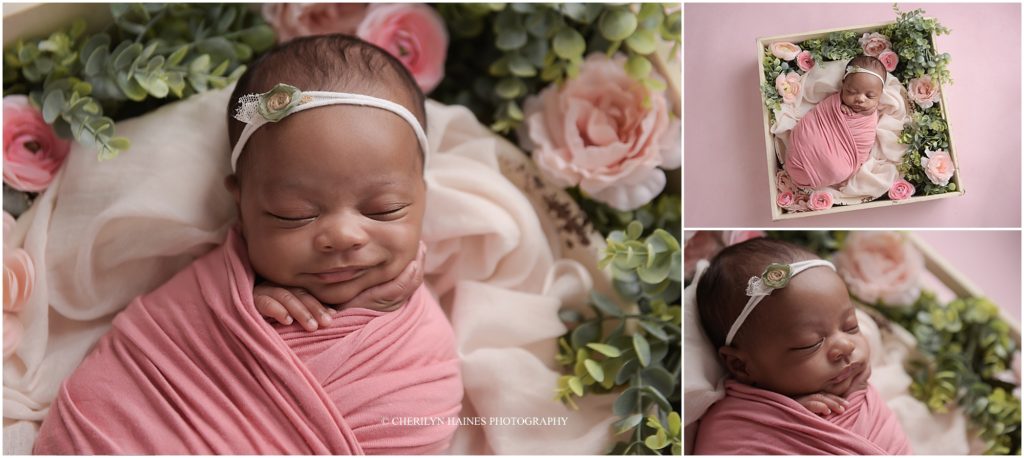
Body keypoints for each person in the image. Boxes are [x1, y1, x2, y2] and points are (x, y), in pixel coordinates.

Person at [35, 34, 462, 454]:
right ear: (241, 206)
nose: (343, 236)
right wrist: (244, 318)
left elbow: (418, 423)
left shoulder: (421, 349)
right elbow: (147, 369)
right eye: (293, 214)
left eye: (384, 210)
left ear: (421, 196)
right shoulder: (209, 296)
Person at [692, 237, 910, 454]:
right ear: (740, 365)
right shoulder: (738, 424)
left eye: (851, 326)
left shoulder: (857, 389)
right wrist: (791, 416)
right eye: (810, 344)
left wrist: (857, 395)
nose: (845, 345)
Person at [784, 55, 886, 190]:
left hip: (838, 159)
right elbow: (819, 116)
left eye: (870, 96)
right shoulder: (833, 102)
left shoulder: (870, 119)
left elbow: (864, 142)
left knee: (840, 170)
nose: (860, 99)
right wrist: (838, 108)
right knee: (805, 134)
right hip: (811, 141)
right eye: (852, 92)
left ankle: (825, 171)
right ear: (843, 86)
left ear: (880, 95)